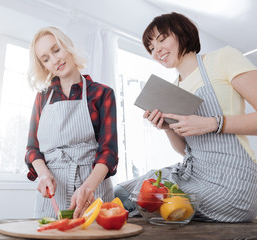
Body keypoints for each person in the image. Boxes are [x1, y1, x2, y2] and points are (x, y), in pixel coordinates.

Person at [115, 12, 257, 222]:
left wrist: (212, 123)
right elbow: (186, 150)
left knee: (143, 202)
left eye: (162, 39)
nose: (157, 50)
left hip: (233, 181)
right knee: (122, 192)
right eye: (151, 47)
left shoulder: (222, 58)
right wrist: (167, 128)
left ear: (182, 32)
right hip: (195, 174)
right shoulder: (175, 88)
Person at [25, 27, 118, 219]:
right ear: (44, 66)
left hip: (94, 191)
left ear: (68, 47)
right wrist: (43, 174)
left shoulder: (102, 94)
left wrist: (88, 187)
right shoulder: (42, 98)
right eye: (46, 58)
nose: (55, 59)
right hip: (53, 196)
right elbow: (32, 149)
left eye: (56, 49)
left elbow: (109, 152)